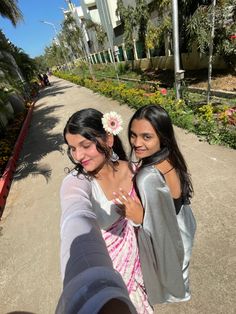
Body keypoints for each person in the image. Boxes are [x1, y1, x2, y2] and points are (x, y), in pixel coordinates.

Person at [59, 108, 153, 313]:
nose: (78, 156)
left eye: (85, 145)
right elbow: (75, 213)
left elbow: (165, 218)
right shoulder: (79, 183)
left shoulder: (137, 172)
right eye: (72, 148)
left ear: (108, 140)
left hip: (142, 268)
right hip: (109, 275)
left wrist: (143, 217)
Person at [113, 104, 196, 306]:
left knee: (170, 279)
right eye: (133, 135)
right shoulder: (170, 154)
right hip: (184, 226)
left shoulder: (147, 177)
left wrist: (141, 218)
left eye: (146, 137)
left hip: (171, 235)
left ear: (162, 136)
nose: (136, 143)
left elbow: (158, 229)